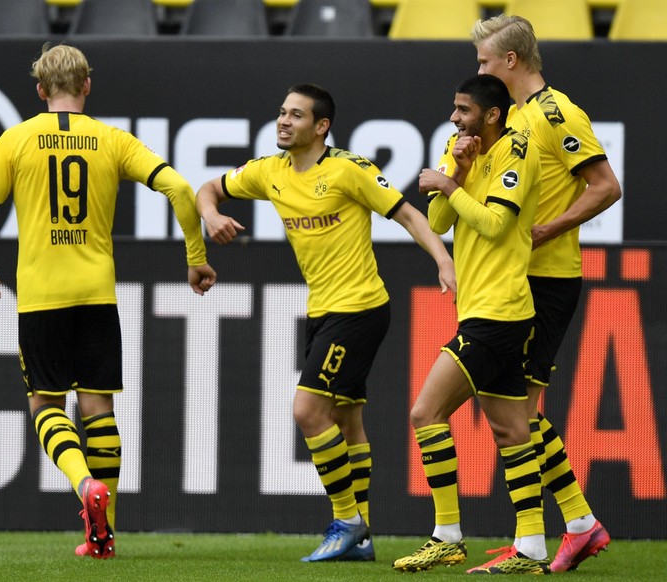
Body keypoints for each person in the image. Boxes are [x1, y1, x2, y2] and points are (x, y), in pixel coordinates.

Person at [0, 43, 216, 559]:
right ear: (87, 86)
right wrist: (195, 256)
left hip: (41, 297)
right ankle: (103, 537)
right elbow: (180, 189)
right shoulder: (111, 139)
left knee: (45, 406)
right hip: (97, 295)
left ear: (40, 90)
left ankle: (83, 487)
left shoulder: (16, 140)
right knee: (98, 410)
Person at [196, 83, 456, 562]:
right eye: (281, 112)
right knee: (346, 419)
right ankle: (365, 537)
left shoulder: (348, 170)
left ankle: (347, 521)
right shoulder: (268, 171)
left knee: (307, 411)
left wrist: (443, 259)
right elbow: (208, 188)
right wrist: (210, 214)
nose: (283, 121)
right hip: (324, 310)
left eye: (296, 115)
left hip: (358, 309)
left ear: (321, 127)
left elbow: (408, 216)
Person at [470, 15, 622, 573]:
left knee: (515, 409)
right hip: (517, 279)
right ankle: (578, 524)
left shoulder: (558, 113)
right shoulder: (512, 118)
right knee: (512, 409)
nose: (480, 71)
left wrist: (544, 230)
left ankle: (547, 536)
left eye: (485, 62)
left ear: (511, 61)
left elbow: (606, 186)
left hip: (548, 279)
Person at [392, 74, 547, 575]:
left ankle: (447, 535)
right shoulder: (457, 147)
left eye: (463, 109)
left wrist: (450, 185)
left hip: (499, 311)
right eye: (454, 108)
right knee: (510, 429)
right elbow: (438, 223)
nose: (455, 117)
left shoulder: (518, 153)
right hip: (484, 307)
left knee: (424, 412)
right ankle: (532, 548)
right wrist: (456, 171)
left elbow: (497, 224)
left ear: (492, 114)